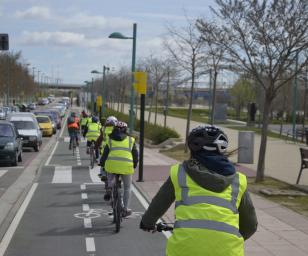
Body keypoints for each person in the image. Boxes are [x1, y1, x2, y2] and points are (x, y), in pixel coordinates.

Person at [139, 125, 258, 256]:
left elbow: (159, 204)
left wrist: (147, 223)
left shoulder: (180, 173)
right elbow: (250, 226)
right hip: (228, 251)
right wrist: (227, 238)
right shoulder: (238, 180)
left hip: (184, 250)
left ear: (193, 150)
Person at [100, 121, 138, 217]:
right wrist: (134, 164)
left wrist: (102, 163)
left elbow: (105, 154)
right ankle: (125, 209)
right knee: (127, 188)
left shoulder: (110, 140)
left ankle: (109, 187)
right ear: (126, 130)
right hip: (126, 166)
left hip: (112, 165)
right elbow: (135, 155)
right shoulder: (131, 140)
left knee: (110, 173)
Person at [96, 116, 118, 180]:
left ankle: (103, 174)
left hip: (104, 150)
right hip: (114, 150)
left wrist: (96, 146)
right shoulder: (117, 130)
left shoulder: (103, 129)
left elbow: (99, 139)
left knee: (102, 162)